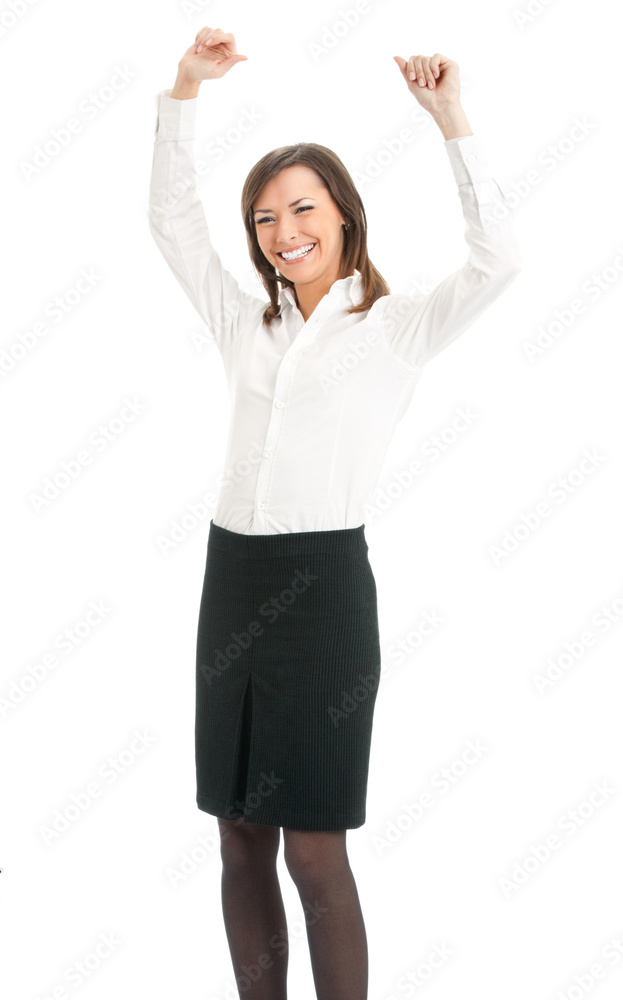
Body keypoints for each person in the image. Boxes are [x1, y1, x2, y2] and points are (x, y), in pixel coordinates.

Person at [148, 25, 522, 1000]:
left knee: (314, 850)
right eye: (265, 218)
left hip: (322, 597)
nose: (284, 232)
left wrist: (448, 118)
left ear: (345, 215)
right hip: (233, 583)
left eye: (302, 208)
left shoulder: (396, 325)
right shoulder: (247, 321)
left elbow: (499, 261)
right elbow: (172, 221)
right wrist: (185, 90)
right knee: (238, 836)